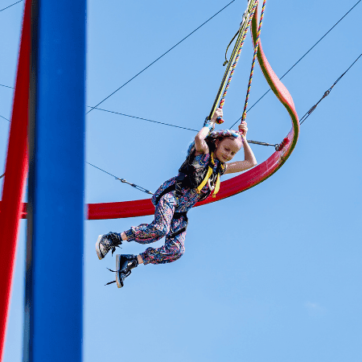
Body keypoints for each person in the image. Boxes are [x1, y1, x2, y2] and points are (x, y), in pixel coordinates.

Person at [96, 108, 257, 288]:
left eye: (232, 154)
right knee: (159, 229)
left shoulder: (220, 168)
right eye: (226, 149)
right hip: (172, 196)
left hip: (180, 212)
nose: (228, 155)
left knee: (176, 250)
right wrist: (210, 123)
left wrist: (244, 138)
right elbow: (199, 139)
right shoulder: (203, 152)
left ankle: (131, 261)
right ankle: (113, 238)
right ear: (217, 142)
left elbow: (251, 163)